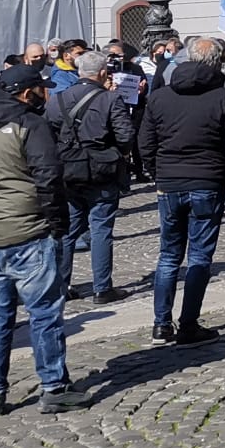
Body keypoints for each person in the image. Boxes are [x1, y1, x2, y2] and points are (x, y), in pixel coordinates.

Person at [0, 65, 94, 416]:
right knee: (44, 313)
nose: (46, 94)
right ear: (27, 93)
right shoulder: (30, 125)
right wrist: (57, 225)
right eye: (41, 89)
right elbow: (49, 178)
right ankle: (54, 386)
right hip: (28, 232)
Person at [138, 37, 225, 345]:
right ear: (217, 63)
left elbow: (145, 142)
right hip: (207, 182)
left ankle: (162, 323)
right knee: (199, 256)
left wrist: (157, 172)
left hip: (171, 183)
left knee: (169, 255)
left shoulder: (160, 97)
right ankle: (188, 323)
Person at [46, 51, 135, 303]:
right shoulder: (110, 99)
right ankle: (102, 288)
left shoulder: (57, 99)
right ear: (103, 73)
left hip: (69, 171)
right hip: (102, 171)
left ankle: (61, 287)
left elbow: (48, 134)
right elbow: (126, 135)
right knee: (101, 229)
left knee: (67, 230)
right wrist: (118, 153)